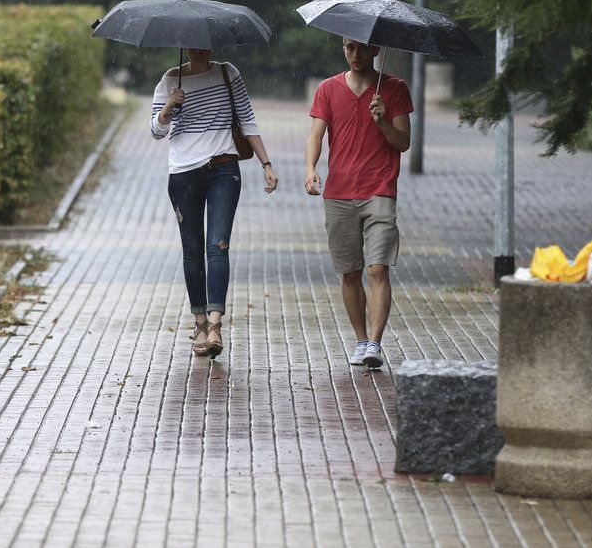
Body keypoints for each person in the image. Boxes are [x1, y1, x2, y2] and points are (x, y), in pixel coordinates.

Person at [151, 48, 278, 358]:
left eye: (204, 42)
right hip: (183, 174)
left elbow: (247, 120)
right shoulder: (169, 80)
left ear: (211, 44)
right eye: (192, 42)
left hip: (223, 169)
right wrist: (170, 106)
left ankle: (215, 324)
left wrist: (266, 164)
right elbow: (156, 130)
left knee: (217, 245)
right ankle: (199, 323)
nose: (198, 49)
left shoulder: (227, 73)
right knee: (192, 250)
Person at [304, 39, 412, 369]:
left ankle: (375, 345)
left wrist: (382, 121)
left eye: (363, 48)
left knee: (377, 268)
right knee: (350, 273)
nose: (357, 55)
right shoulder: (328, 89)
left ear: (377, 50)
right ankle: (361, 339)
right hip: (339, 192)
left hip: (379, 189)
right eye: (350, 48)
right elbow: (316, 134)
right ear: (342, 48)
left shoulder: (394, 89)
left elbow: (403, 142)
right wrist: (310, 168)